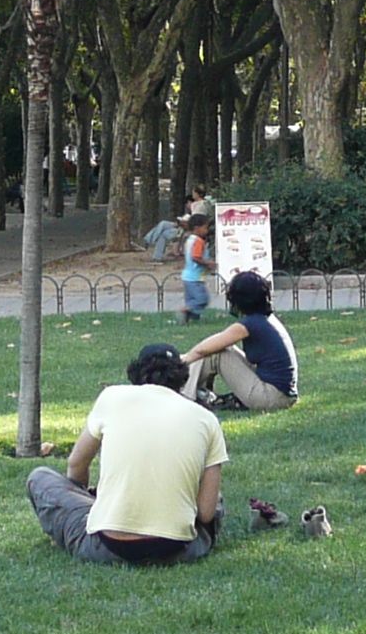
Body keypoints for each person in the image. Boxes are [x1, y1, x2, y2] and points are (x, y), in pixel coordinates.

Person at [25, 343, 225, 564]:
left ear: (135, 373)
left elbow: (76, 465)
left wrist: (82, 497)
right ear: (182, 376)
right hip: (178, 549)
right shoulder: (205, 419)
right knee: (215, 495)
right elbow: (206, 513)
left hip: (107, 546)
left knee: (40, 478)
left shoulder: (112, 397)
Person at [180, 272, 298, 413]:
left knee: (217, 354)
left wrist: (184, 359)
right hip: (283, 394)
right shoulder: (266, 318)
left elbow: (203, 350)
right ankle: (196, 394)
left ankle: (185, 397)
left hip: (272, 397)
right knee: (221, 349)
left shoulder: (251, 323)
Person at [179, 204, 214, 322]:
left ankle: (189, 318)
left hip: (187, 276)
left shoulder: (189, 240)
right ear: (197, 228)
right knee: (202, 299)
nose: (206, 231)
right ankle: (186, 310)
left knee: (191, 299)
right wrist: (207, 263)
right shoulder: (199, 241)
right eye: (205, 228)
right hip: (195, 277)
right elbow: (196, 257)